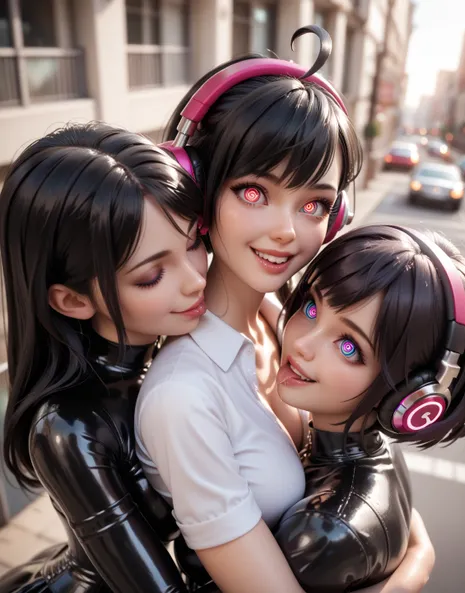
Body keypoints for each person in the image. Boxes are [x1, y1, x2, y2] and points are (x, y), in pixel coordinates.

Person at [135, 26, 434, 593]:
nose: (286, 231)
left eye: (314, 204)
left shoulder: (288, 319)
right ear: (200, 184)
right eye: (254, 192)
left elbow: (378, 481)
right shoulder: (185, 398)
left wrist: (418, 547)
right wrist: (414, 570)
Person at [0, 122, 210, 593]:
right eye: (153, 274)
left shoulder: (176, 347)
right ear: (72, 300)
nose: (196, 279)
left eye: (194, 241)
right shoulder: (67, 427)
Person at [274, 224, 465, 591]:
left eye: (348, 346)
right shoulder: (381, 455)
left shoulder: (322, 533)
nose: (302, 341)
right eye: (312, 307)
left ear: (410, 396)